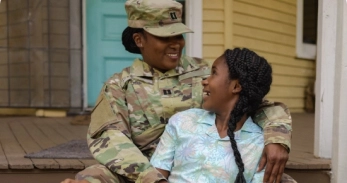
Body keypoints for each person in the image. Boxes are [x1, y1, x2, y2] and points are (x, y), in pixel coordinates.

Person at [61, 0, 293, 183]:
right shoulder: (119, 86)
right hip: (141, 171)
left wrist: (277, 139)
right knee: (91, 176)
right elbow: (110, 140)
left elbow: (258, 103)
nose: (176, 43)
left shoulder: (204, 73)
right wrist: (152, 178)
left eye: (178, 35)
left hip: (203, 160)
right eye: (165, 36)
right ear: (139, 39)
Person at [150, 48, 289, 183]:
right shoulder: (181, 121)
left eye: (214, 73)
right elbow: (156, 175)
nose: (205, 81)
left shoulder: (259, 145)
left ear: (236, 86)